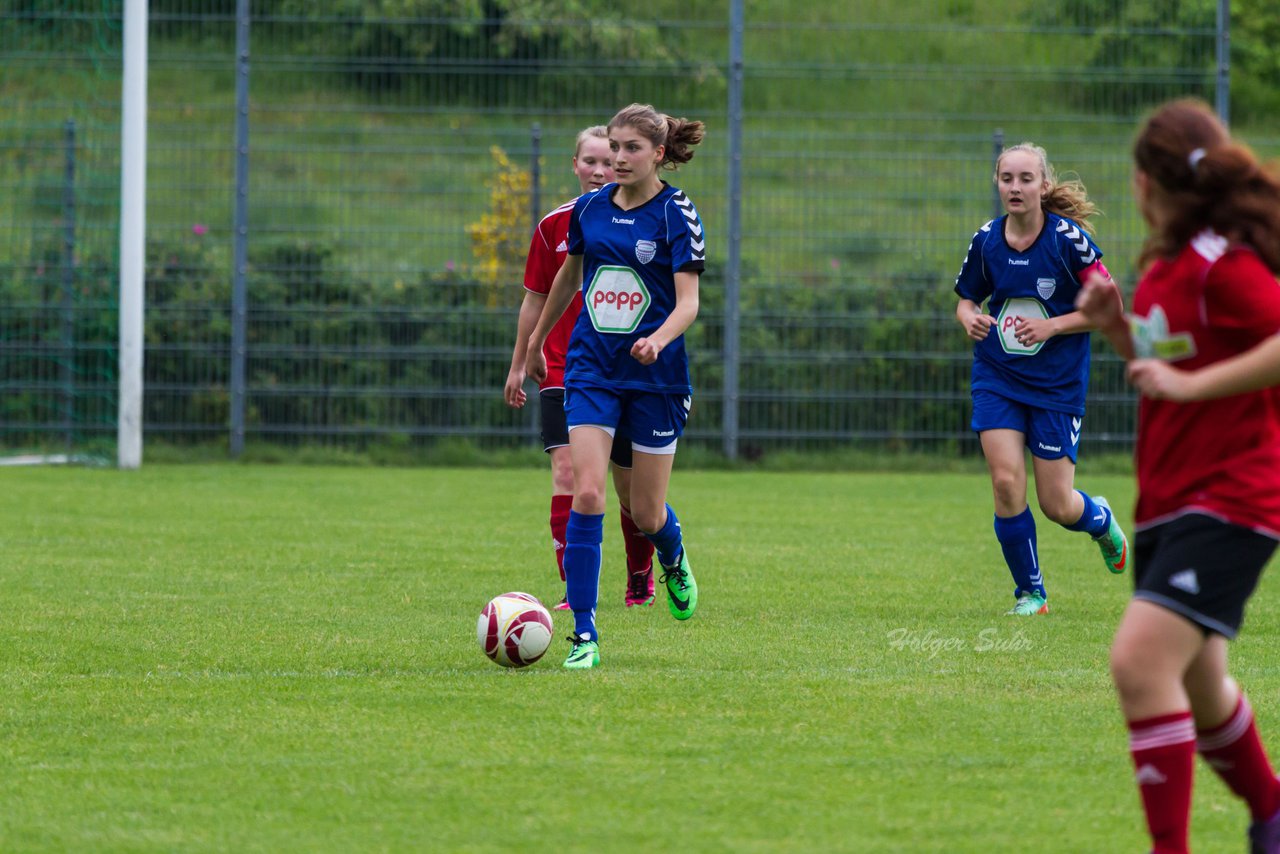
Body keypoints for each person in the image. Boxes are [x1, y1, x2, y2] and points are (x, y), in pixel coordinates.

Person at [1077, 97, 1280, 854]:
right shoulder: (1164, 268)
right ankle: (1272, 815)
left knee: (1138, 660)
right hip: (1168, 499)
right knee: (1200, 688)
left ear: (1146, 181)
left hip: (1233, 497)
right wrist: (1117, 330)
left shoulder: (1227, 263)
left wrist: (1191, 387)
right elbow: (1166, 368)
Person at [525, 103, 706, 669]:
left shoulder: (678, 214)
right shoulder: (589, 209)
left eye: (632, 149)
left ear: (658, 154)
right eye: (615, 147)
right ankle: (585, 635)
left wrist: (658, 339)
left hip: (654, 378)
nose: (619, 159)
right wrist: (536, 341)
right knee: (587, 493)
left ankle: (671, 558)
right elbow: (569, 275)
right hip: (591, 369)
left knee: (646, 513)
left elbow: (688, 303)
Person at [953, 142, 1130, 616]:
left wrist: (1052, 326)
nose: (1015, 187)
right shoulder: (986, 240)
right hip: (998, 374)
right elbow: (967, 299)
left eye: (1025, 179)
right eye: (1007, 178)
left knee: (1057, 504)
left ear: (1043, 185)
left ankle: (1099, 520)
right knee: (1007, 483)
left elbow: (1110, 307)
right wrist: (967, 317)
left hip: (1057, 385)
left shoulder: (1066, 241)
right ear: (997, 183)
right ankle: (1031, 594)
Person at [504, 126, 658, 611]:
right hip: (561, 369)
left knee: (629, 489)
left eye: (606, 160)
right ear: (574, 166)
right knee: (569, 475)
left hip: (621, 372)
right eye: (588, 161)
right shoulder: (553, 226)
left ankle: (640, 574)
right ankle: (575, 589)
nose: (598, 169)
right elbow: (533, 301)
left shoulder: (640, 222)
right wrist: (519, 361)